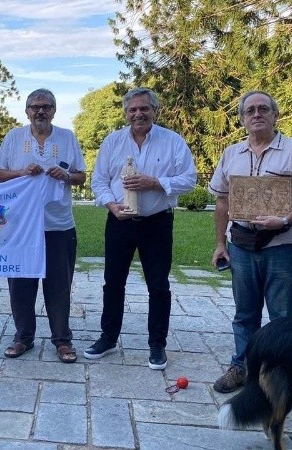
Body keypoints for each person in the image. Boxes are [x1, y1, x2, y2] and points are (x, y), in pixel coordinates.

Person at [209, 91, 292, 393]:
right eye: (250, 110)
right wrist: (220, 244)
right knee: (244, 313)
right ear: (242, 119)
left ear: (275, 115)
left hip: (282, 246)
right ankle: (242, 366)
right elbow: (222, 201)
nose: (256, 114)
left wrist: (287, 219)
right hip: (240, 244)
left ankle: (282, 372)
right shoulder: (231, 154)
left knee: (282, 315)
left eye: (264, 108)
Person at [88, 87, 197, 369]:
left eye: (144, 108)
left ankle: (157, 345)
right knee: (113, 282)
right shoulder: (112, 142)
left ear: (154, 110)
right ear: (126, 113)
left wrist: (156, 182)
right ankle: (108, 338)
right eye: (133, 109)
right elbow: (98, 180)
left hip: (157, 222)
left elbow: (190, 179)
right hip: (120, 221)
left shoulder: (172, 142)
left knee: (158, 285)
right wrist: (111, 205)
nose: (138, 114)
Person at [0, 88, 87, 364]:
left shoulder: (67, 138)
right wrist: (22, 172)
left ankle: (62, 339)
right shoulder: (14, 137)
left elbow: (80, 176)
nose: (40, 111)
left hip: (58, 225)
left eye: (46, 106)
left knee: (58, 285)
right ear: (27, 111)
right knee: (21, 284)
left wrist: (66, 175)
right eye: (35, 106)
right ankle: (23, 336)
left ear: (54, 110)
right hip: (21, 226)